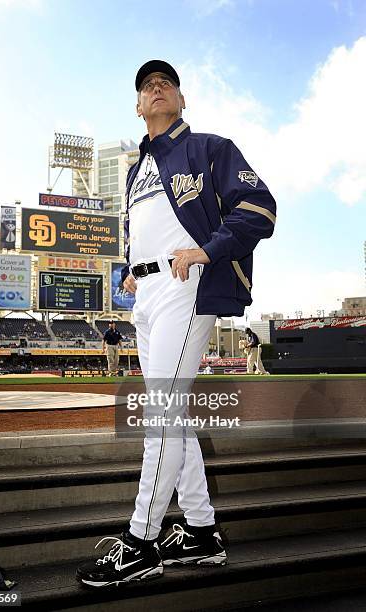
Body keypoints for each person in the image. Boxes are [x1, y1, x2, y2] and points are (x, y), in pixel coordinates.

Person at [77, 59, 276, 588]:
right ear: (138, 106)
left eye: (165, 82)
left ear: (181, 100)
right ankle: (202, 530)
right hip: (147, 294)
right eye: (146, 86)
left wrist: (208, 252)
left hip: (187, 286)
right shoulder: (136, 169)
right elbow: (144, 231)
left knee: (159, 415)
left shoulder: (209, 147)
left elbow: (259, 208)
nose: (156, 87)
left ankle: (142, 541)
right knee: (175, 417)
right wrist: (131, 271)